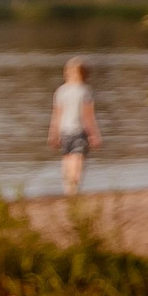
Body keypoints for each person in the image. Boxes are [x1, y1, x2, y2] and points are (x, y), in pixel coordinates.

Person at [49, 57, 102, 196]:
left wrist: (53, 134)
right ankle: (74, 185)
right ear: (85, 74)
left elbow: (56, 115)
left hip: (64, 130)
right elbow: (88, 116)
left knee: (66, 157)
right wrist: (94, 134)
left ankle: (67, 187)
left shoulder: (60, 91)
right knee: (77, 158)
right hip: (80, 131)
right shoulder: (85, 91)